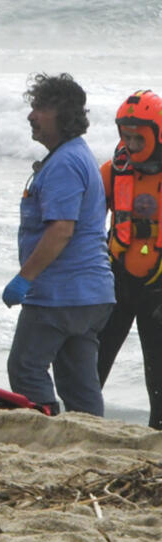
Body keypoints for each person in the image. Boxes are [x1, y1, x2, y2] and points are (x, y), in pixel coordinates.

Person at [3, 73, 114, 416]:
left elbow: (61, 230)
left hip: (61, 295)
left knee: (25, 368)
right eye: (33, 106)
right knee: (80, 384)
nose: (31, 115)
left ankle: (45, 430)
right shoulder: (76, 155)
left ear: (65, 116)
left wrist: (25, 279)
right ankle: (91, 442)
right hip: (92, 295)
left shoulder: (65, 163)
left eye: (41, 108)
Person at [97, 90, 162, 427]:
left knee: (160, 376)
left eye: (140, 138)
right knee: (94, 363)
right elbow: (82, 221)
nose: (133, 144)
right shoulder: (114, 170)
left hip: (158, 290)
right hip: (117, 281)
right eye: (127, 136)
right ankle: (81, 422)